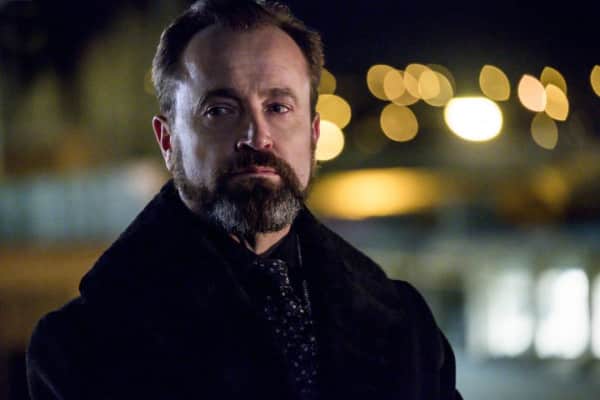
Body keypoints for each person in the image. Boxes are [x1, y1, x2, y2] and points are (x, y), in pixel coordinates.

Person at [26, 1, 462, 399]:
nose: (257, 137)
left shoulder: (407, 328)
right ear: (168, 140)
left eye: (278, 107)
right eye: (220, 110)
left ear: (313, 135)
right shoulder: (81, 347)